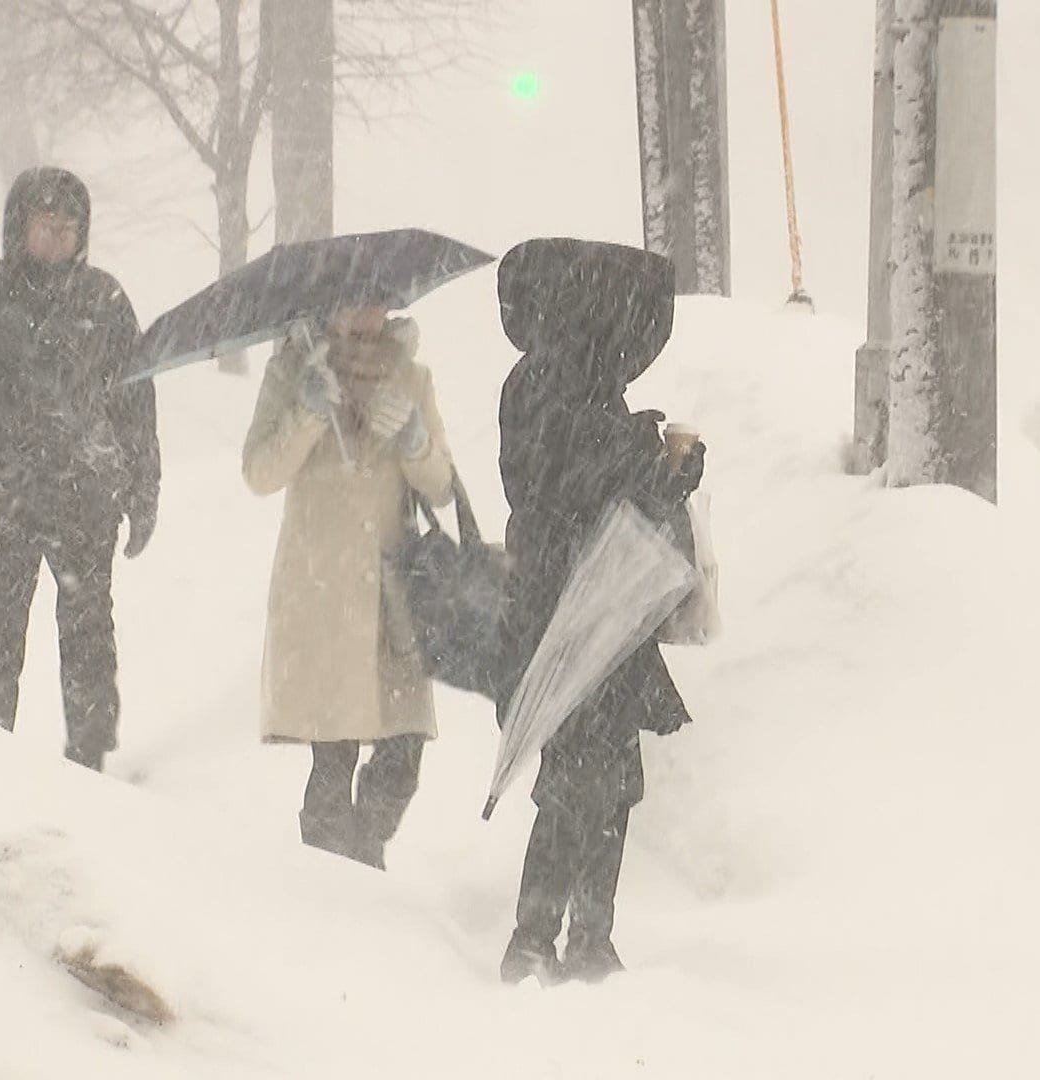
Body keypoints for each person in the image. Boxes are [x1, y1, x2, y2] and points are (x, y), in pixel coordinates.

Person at [493, 239, 707, 984]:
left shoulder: (595, 389)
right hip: (565, 605)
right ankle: (534, 934)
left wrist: (666, 472)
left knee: (611, 780)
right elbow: (560, 475)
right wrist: (641, 455)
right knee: (575, 777)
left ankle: (590, 934)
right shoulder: (543, 381)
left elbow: (613, 485)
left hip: (608, 605)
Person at [0, 166, 160, 772]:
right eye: (44, 227)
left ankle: (90, 758)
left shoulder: (104, 303)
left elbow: (135, 401)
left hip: (86, 496)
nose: (56, 239)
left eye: (67, 228)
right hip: (4, 500)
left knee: (88, 634)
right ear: (17, 227)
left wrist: (143, 487)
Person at [243, 306, 455, 869]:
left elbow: (441, 487)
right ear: (328, 305)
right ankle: (331, 879)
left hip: (393, 594)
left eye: (375, 301)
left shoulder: (412, 376)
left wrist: (414, 441)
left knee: (403, 750)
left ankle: (363, 850)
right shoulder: (293, 371)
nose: (366, 315)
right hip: (320, 592)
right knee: (331, 755)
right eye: (352, 301)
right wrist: (306, 415)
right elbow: (260, 473)